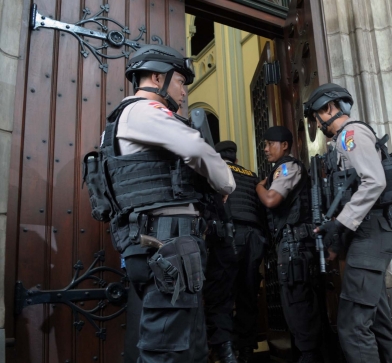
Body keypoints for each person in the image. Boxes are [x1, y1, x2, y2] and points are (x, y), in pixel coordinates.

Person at [99, 44, 235, 363]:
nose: (185, 92)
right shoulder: (143, 110)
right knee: (168, 351)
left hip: (166, 246)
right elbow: (195, 148)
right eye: (181, 82)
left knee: (189, 347)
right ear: (158, 77)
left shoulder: (130, 117)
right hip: (166, 246)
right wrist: (224, 182)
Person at [304, 83, 392, 362]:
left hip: (370, 236)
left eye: (316, 116)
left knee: (352, 326)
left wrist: (340, 224)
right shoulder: (342, 142)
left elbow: (374, 181)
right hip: (368, 236)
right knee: (380, 322)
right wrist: (337, 237)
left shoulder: (351, 134)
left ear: (328, 108)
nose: (317, 124)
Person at [255, 126, 322, 363]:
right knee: (294, 306)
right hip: (292, 245)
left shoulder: (287, 167)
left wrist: (259, 187)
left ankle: (309, 356)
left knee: (299, 305)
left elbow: (271, 200)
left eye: (269, 143)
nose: (265, 148)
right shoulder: (280, 169)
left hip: (296, 247)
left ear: (284, 145)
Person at [203, 141, 267, 363]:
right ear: (236, 159)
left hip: (227, 238)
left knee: (220, 296)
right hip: (254, 239)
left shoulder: (214, 171)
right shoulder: (251, 175)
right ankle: (247, 352)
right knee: (248, 295)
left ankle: (227, 354)